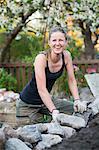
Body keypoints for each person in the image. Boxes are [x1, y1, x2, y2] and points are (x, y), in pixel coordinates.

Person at [16, 26, 86, 125]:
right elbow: (41, 89)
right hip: (28, 105)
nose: (57, 43)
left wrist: (77, 100)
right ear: (49, 43)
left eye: (61, 40)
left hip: (46, 101)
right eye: (54, 40)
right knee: (42, 130)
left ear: (66, 42)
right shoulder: (41, 58)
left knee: (75, 110)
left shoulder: (66, 56)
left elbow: (71, 79)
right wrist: (54, 111)